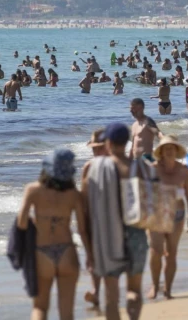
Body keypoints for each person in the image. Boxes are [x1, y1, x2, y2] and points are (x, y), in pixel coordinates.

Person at [82, 123, 148, 320]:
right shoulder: (140, 168)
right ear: (128, 142)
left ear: (108, 142)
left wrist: (88, 245)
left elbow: (85, 209)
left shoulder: (93, 168)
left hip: (108, 236)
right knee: (134, 290)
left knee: (111, 297)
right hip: (136, 234)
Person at [16, 149, 91, 320]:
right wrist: (90, 255)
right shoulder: (74, 195)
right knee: (66, 312)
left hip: (42, 252)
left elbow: (21, 223)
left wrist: (37, 222)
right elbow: (82, 229)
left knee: (40, 308)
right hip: (66, 251)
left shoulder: (33, 190)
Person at [147, 136, 188, 300]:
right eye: (166, 148)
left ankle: (168, 289)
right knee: (156, 251)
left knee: (172, 254)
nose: (169, 150)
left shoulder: (183, 170)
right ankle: (154, 286)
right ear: (160, 151)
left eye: (172, 148)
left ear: (176, 151)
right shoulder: (153, 168)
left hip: (178, 215)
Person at [82, 129, 110, 309]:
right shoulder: (88, 167)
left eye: (98, 148)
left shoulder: (115, 165)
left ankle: (108, 292)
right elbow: (83, 195)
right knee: (92, 258)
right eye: (93, 148)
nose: (95, 151)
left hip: (110, 219)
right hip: (93, 217)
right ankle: (96, 291)